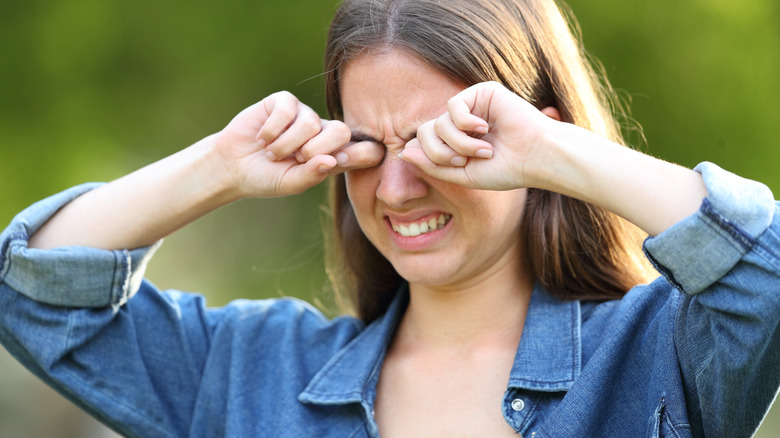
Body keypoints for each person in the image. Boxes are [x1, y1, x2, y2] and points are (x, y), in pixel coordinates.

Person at [1, 0, 778, 436]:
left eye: (443, 142)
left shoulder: (656, 354)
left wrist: (554, 150)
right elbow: (31, 295)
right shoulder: (253, 372)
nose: (399, 186)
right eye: (367, 145)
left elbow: (766, 270)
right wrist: (217, 168)